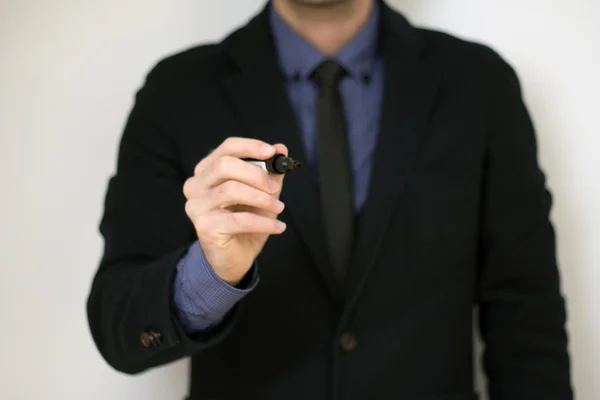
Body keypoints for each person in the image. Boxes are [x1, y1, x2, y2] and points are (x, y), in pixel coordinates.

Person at [86, 0, 573, 398]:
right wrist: (211, 272)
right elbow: (120, 331)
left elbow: (527, 313)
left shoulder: (478, 84)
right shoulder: (177, 92)